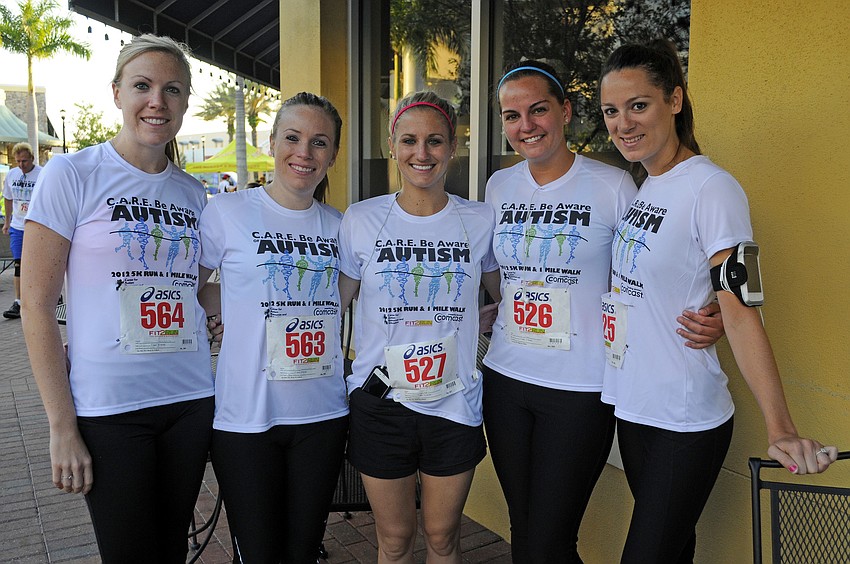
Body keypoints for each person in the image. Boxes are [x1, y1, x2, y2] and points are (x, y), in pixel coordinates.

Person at [598, 40, 837, 563]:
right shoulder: (648, 187)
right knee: (675, 549)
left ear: (675, 100)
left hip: (683, 417)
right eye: (611, 111)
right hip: (635, 407)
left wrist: (782, 428)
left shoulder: (712, 188)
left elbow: (742, 307)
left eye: (638, 105)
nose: (623, 123)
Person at [481, 60, 725, 563]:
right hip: (504, 378)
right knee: (525, 533)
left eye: (538, 110)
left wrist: (717, 307)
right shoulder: (499, 187)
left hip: (581, 388)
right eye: (511, 115)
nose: (525, 125)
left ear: (565, 111)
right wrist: (493, 305)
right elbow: (497, 270)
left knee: (550, 540)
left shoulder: (614, 186)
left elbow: (656, 262)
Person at [21, 34, 218, 563]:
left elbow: (196, 290)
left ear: (184, 102)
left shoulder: (195, 195)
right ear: (117, 93)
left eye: (172, 89)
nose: (157, 101)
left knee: (170, 550)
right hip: (111, 408)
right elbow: (36, 304)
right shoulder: (73, 174)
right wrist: (61, 425)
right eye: (142, 86)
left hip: (190, 399)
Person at [338, 91, 500, 563]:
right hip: (381, 403)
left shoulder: (479, 219)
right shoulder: (361, 219)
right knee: (392, 541)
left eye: (434, 141)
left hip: (453, 402)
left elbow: (514, 293)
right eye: (409, 140)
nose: (421, 153)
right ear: (393, 146)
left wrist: (486, 317)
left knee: (443, 538)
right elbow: (332, 306)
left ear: (453, 147)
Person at [198, 92, 349, 562]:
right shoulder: (228, 212)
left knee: (303, 551)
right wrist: (234, 313)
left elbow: (341, 301)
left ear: (333, 155)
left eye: (319, 142)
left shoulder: (341, 226)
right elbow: (192, 287)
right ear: (272, 141)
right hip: (246, 417)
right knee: (259, 552)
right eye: (293, 137)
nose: (304, 152)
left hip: (321, 415)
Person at [3, 142, 40, 319]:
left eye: (24, 161)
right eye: (18, 161)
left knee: (37, 265)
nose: (21, 165)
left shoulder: (42, 174)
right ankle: (18, 301)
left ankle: (47, 296)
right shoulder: (12, 175)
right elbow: (8, 198)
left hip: (37, 225)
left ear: (32, 159)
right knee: (19, 264)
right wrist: (7, 222)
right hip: (18, 226)